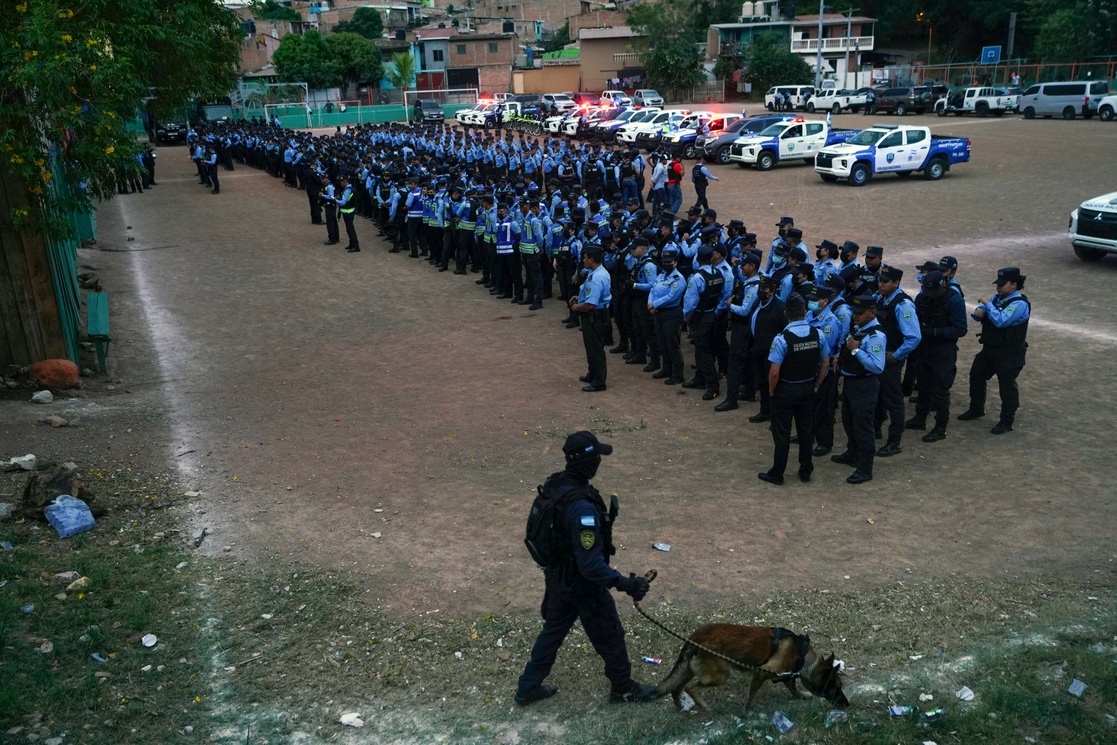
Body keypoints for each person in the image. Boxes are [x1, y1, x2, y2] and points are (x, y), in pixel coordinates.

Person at [516, 431, 657, 706]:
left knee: (553, 631)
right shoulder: (582, 509)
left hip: (557, 577)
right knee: (610, 634)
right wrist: (627, 584)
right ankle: (623, 688)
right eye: (596, 458)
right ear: (587, 463)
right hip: (581, 584)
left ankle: (527, 687)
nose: (598, 463)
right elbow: (591, 566)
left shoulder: (556, 484)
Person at [758, 293, 828, 485]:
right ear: (805, 312)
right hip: (807, 388)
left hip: (785, 390)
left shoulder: (781, 339)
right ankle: (805, 470)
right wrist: (816, 385)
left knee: (782, 434)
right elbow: (826, 363)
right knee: (806, 431)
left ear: (785, 313)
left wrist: (772, 390)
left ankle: (777, 473)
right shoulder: (818, 334)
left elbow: (774, 372)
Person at [958, 267, 1030, 434]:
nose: (998, 288)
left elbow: (1001, 320)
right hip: (991, 349)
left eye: (1002, 284)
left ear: (1013, 285)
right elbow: (978, 315)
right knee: (976, 375)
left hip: (1010, 353)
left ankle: (1007, 421)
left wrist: (987, 305)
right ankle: (976, 408)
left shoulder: (1019, 304)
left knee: (1006, 387)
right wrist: (979, 313)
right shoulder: (998, 298)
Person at [905, 270, 967, 441]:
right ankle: (920, 418)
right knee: (923, 384)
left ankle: (941, 427)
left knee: (940, 389)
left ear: (943, 286)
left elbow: (961, 329)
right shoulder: (923, 297)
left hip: (943, 350)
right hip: (925, 348)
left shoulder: (954, 299)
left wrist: (934, 331)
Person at [831, 294, 886, 484]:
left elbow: (877, 366)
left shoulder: (875, 336)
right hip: (852, 383)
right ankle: (852, 453)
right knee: (848, 421)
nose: (855, 316)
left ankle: (865, 468)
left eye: (860, 313)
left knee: (863, 427)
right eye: (854, 312)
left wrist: (856, 350)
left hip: (865, 385)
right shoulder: (860, 328)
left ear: (872, 313)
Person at [873, 265, 921, 457]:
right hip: (878, 356)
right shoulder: (881, 298)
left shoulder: (903, 306)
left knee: (893, 399)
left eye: (885, 282)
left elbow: (914, 337)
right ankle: (876, 427)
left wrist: (896, 355)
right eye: (880, 281)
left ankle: (894, 440)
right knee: (877, 394)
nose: (881, 284)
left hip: (890, 358)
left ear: (896, 283)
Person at [570, 246, 612, 392]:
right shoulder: (596, 272)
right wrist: (579, 298)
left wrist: (577, 307)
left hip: (595, 316)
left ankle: (599, 381)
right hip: (595, 314)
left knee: (595, 348)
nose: (583, 260)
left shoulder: (596, 277)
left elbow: (590, 304)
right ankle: (593, 373)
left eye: (585, 258)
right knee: (590, 346)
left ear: (592, 259)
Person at [336, 176, 359, 252]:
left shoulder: (347, 190)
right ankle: (352, 243)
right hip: (349, 211)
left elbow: (343, 202)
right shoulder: (349, 189)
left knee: (350, 229)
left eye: (341, 182)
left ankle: (355, 246)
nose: (340, 183)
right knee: (349, 229)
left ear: (345, 182)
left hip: (348, 211)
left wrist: (335, 200)